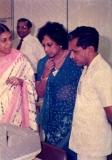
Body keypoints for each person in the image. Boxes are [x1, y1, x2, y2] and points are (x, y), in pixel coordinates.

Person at [35, 22, 82, 160]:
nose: (46, 49)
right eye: (43, 45)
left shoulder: (74, 59)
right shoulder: (43, 63)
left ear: (60, 42)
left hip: (74, 117)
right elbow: (40, 93)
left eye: (49, 45)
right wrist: (45, 74)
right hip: (53, 118)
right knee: (55, 154)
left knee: (72, 154)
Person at [68, 26, 112, 160]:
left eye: (75, 51)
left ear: (90, 49)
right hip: (86, 143)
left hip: (94, 147)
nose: (71, 56)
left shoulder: (101, 72)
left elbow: (110, 110)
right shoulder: (88, 68)